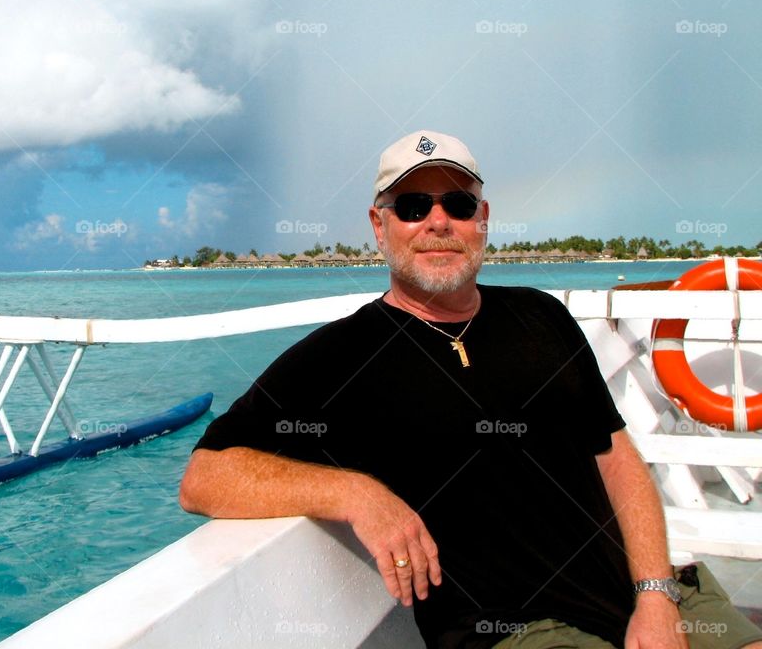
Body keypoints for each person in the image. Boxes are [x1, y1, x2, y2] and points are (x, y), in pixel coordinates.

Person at [179, 130, 762, 649]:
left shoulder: (543, 317)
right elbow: (205, 476)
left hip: (651, 599)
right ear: (379, 227)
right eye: (411, 206)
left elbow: (614, 458)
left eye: (457, 204)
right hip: (519, 630)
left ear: (482, 219)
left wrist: (656, 595)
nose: (438, 222)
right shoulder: (338, 357)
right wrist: (356, 494)